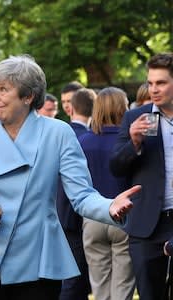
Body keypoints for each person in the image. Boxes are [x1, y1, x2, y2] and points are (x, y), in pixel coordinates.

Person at [0, 55, 140, 300]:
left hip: (35, 263)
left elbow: (81, 196)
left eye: (3, 89)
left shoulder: (58, 133)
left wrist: (109, 206)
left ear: (28, 97)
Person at [110, 52, 173, 300]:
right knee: (149, 294)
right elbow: (116, 168)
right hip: (146, 225)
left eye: (161, 83)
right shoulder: (136, 117)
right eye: (150, 83)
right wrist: (134, 143)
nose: (153, 89)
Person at [79, 87, 135, 300]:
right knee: (123, 287)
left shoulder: (84, 141)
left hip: (92, 216)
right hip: (124, 215)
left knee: (100, 287)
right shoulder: (129, 142)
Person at [56, 87, 96, 300]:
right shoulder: (83, 137)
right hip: (76, 215)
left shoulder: (60, 134)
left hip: (59, 211)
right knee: (73, 278)